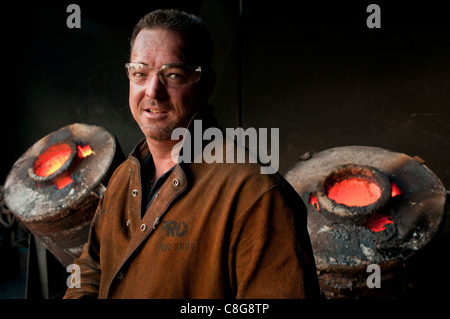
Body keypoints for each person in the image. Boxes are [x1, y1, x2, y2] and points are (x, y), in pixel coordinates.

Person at [63, 8, 319, 299]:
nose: (153, 91)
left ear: (206, 84)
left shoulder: (256, 193)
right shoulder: (123, 177)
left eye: (173, 75)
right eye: (140, 73)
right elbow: (90, 268)